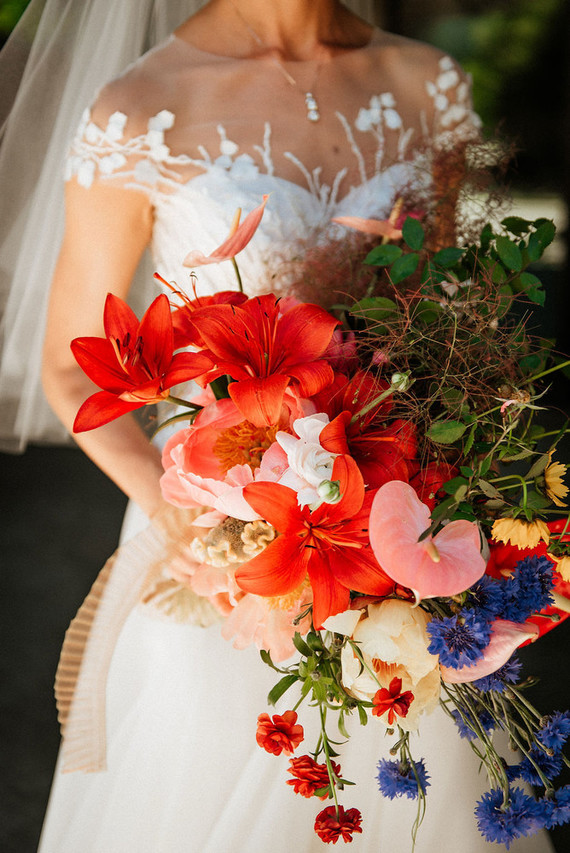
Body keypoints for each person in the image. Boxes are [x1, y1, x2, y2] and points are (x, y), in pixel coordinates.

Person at [0, 1, 555, 851]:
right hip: (222, 551)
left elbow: (443, 322)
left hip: (403, 533)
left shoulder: (427, 83)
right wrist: (194, 521)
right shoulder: (142, 109)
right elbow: (71, 365)